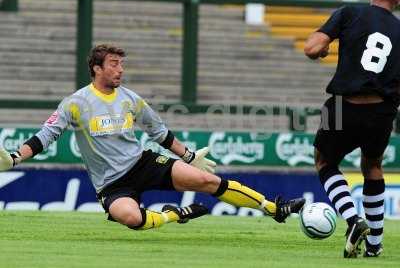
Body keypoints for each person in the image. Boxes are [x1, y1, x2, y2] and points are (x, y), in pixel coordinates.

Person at [0, 44, 305, 231]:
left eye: (122, 64)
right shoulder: (76, 103)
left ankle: (274, 208)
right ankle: (174, 215)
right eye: (114, 64)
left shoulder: (131, 99)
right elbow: (45, 136)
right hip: (110, 184)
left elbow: (159, 132)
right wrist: (14, 158)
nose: (120, 70)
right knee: (132, 220)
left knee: (208, 181)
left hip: (144, 162)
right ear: (96, 69)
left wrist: (188, 156)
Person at [304, 0, 400, 258]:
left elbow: (312, 48)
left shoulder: (348, 14)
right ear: (398, 0)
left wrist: (322, 51)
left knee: (324, 161)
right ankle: (374, 245)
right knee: (372, 167)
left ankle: (352, 219)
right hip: (382, 111)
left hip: (342, 106)